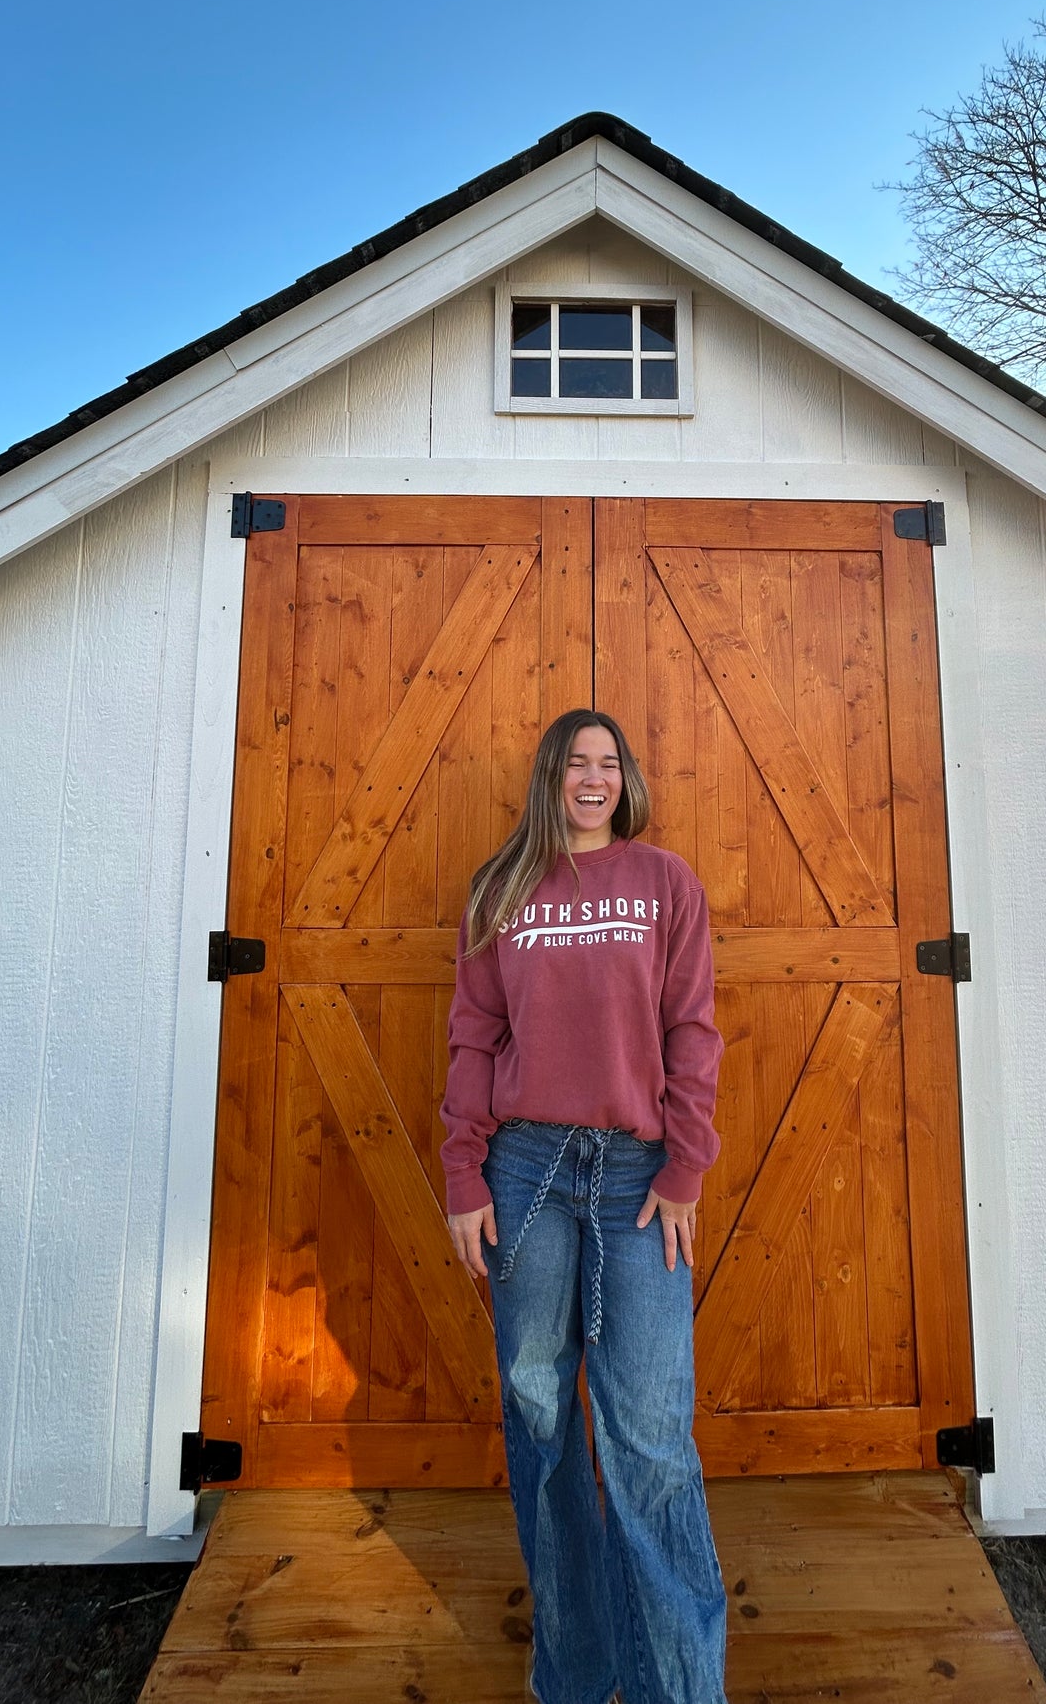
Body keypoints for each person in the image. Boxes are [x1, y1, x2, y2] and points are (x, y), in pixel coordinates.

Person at [441, 707, 728, 1704]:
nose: (592, 777)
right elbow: (472, 1039)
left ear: (625, 779)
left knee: (648, 1434)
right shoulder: (501, 889)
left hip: (638, 1182)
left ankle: (677, 1686)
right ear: (548, 778)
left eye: (607, 762)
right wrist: (460, 1176)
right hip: (525, 1174)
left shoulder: (665, 884)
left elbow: (691, 1031)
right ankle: (573, 1667)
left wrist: (684, 1167)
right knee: (540, 1415)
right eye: (575, 762)